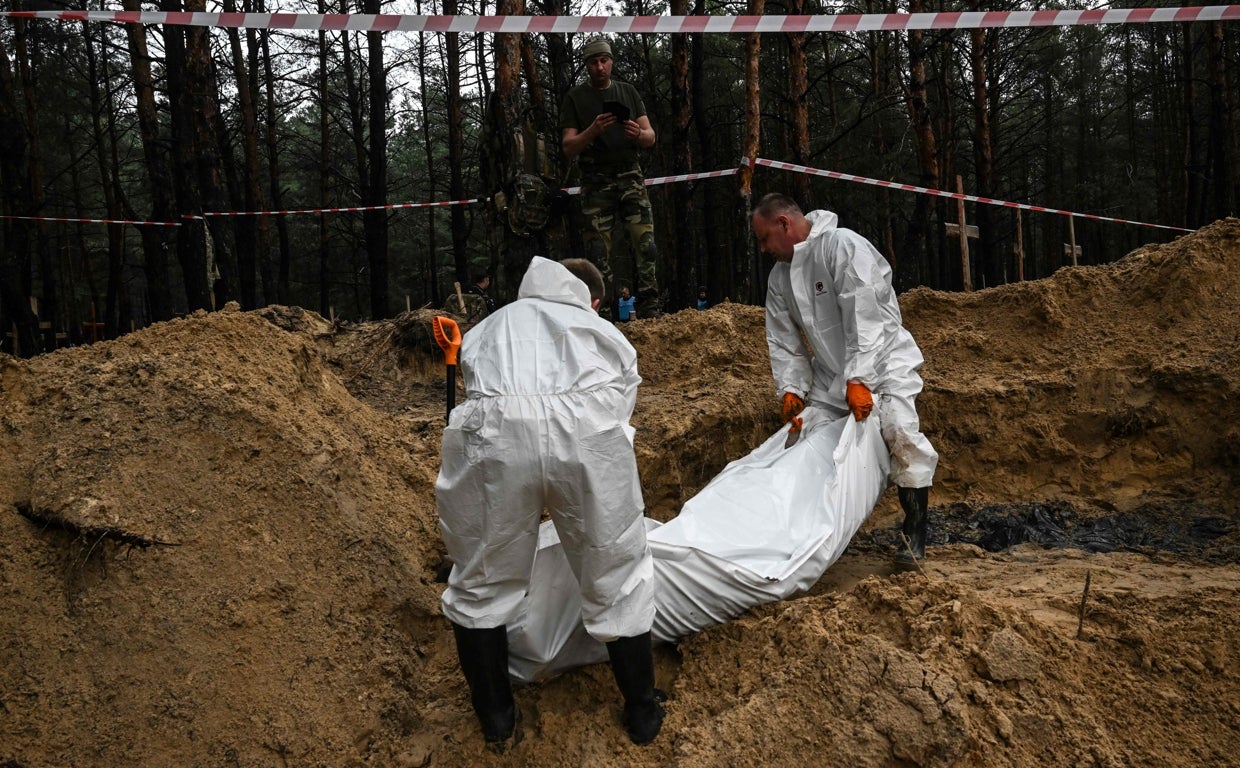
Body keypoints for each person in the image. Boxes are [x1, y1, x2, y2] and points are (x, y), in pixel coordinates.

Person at [435, 255, 665, 747]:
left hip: (494, 437)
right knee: (616, 568)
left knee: (480, 579)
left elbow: (469, 380)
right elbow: (624, 399)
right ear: (593, 299)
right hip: (586, 433)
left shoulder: (489, 326)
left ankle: (497, 720)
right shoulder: (599, 330)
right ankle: (642, 711)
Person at [750, 193, 939, 570]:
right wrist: (792, 388)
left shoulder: (842, 247)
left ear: (784, 224)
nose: (763, 249)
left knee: (899, 431)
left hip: (884, 364)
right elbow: (783, 339)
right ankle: (809, 528)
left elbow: (865, 317)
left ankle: (915, 529)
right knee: (805, 437)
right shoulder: (779, 278)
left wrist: (860, 377)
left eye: (764, 238)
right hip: (832, 374)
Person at [559, 36, 660, 310]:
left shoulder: (627, 92)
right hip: (595, 182)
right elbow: (568, 146)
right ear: (587, 66)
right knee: (596, 252)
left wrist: (638, 133)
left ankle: (651, 306)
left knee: (645, 243)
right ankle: (600, 310)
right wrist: (593, 131)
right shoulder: (575, 98)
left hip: (630, 176)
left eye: (604, 61)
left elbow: (650, 136)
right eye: (593, 62)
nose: (600, 67)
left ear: (611, 62)